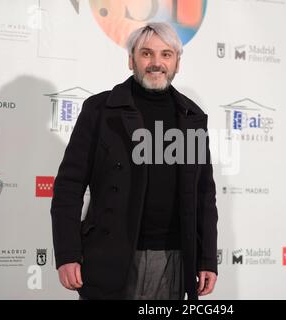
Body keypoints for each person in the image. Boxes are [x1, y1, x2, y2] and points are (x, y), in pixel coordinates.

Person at [50, 22, 218, 300]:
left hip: (175, 258)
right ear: (131, 60)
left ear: (177, 62)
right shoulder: (100, 110)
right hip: (111, 258)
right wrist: (67, 253)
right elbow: (69, 187)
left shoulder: (192, 116)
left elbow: (204, 194)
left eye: (166, 54)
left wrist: (207, 259)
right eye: (146, 53)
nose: (156, 63)